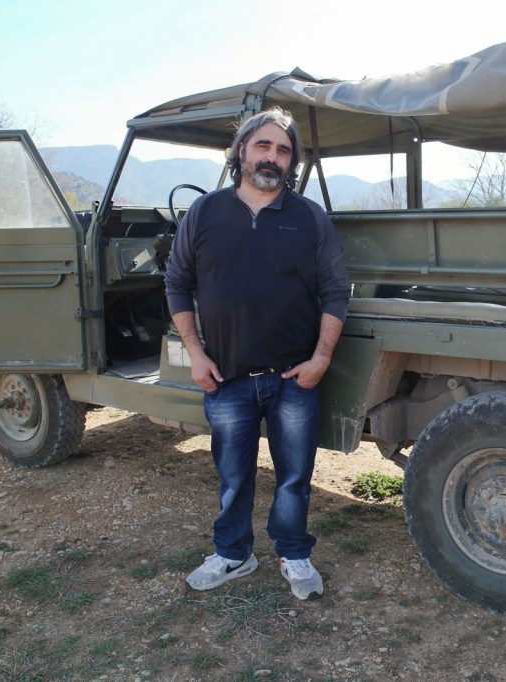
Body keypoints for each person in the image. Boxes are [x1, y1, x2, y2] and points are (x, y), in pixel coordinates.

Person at [164, 107, 350, 600]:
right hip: (226, 377)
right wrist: (195, 353)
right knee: (233, 477)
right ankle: (233, 553)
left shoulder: (309, 218)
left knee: (294, 479)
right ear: (241, 150)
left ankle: (294, 553)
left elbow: (336, 291)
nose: (273, 157)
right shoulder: (205, 213)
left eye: (283, 150)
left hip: (294, 379)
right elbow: (177, 283)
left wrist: (321, 359)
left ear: (291, 162)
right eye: (263, 145)